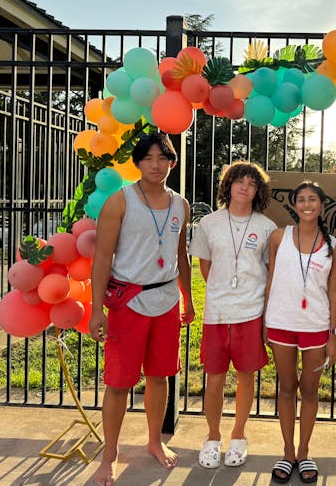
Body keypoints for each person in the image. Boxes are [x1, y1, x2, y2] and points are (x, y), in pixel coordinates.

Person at [89, 132, 194, 486]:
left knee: (160, 375)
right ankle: (110, 454)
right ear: (137, 162)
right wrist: (95, 310)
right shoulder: (120, 202)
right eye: (148, 158)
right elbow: (102, 257)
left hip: (166, 300)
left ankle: (154, 442)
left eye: (163, 158)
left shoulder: (181, 204)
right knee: (118, 382)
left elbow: (181, 256)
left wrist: (189, 299)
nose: (156, 165)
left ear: (171, 163)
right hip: (128, 302)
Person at [188, 161, 277, 469]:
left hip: (250, 312)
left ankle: (238, 435)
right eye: (238, 181)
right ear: (228, 186)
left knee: (245, 378)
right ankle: (212, 437)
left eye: (251, 183)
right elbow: (205, 266)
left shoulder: (266, 227)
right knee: (214, 379)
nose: (244, 186)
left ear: (258, 191)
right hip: (217, 313)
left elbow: (269, 269)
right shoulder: (209, 223)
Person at [264, 181, 336, 484]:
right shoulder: (278, 237)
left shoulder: (334, 245)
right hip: (281, 322)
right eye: (301, 200)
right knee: (286, 388)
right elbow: (270, 279)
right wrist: (264, 322)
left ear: (322, 205)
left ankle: (304, 450)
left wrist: (333, 334)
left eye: (312, 199)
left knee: (309, 391)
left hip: (315, 326)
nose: (307, 204)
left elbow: (335, 292)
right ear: (294, 205)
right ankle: (287, 453)